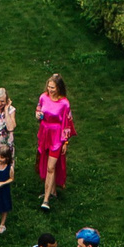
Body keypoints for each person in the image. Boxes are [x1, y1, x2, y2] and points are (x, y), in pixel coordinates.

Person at [35, 73, 74, 210]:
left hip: (57, 136)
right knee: (46, 163)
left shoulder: (64, 104)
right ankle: (52, 191)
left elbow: (67, 123)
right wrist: (38, 115)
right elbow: (39, 109)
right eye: (49, 87)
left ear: (59, 88)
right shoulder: (43, 97)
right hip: (45, 133)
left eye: (53, 87)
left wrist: (65, 142)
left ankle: (46, 200)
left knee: (51, 167)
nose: (50, 90)